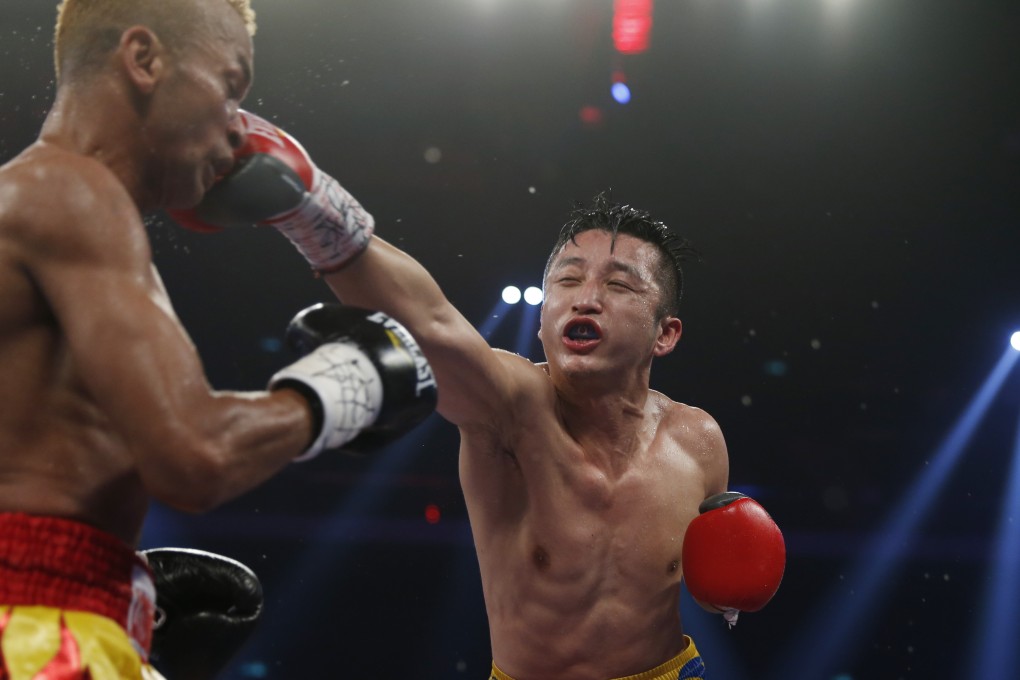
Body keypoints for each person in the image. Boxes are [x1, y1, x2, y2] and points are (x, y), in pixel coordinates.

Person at [181, 111, 786, 679]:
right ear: (545, 314)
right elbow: (432, 320)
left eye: (619, 285)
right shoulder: (513, 406)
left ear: (666, 334)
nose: (586, 297)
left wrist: (728, 593)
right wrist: (311, 207)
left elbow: (711, 588)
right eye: (567, 280)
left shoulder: (698, 439)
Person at [0, 1, 435, 678]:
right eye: (231, 88)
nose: (238, 129)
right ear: (143, 60)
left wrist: (127, 586)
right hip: (34, 627)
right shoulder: (70, 193)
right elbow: (195, 456)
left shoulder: (39, 201)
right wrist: (350, 383)